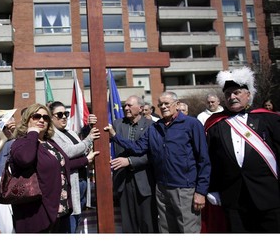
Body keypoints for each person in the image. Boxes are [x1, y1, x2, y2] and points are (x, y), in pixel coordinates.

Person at [104, 91, 210, 233]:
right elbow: (138, 147)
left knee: (187, 231)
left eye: (167, 103)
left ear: (177, 105)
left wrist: (201, 191)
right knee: (166, 231)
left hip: (184, 189)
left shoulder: (192, 124)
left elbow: (203, 159)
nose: (163, 107)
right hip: (162, 189)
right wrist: (115, 136)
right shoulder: (155, 127)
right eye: (160, 104)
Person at [204, 66, 280, 233]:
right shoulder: (216, 124)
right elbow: (211, 160)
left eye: (237, 92)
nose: (232, 97)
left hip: (269, 195)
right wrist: (212, 188)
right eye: (228, 94)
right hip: (233, 198)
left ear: (248, 94)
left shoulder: (269, 119)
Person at [9, 103, 99, 233]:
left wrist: (86, 160)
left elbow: (62, 164)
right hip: (37, 211)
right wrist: (33, 133)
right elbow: (26, 159)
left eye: (45, 118)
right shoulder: (21, 142)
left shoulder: (49, 143)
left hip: (60, 208)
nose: (41, 120)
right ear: (27, 119)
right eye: (36, 116)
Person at [49, 101, 100, 233]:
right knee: (70, 221)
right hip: (70, 183)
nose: (64, 117)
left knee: (78, 219)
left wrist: (89, 129)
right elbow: (68, 151)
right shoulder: (52, 135)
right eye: (59, 114)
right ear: (51, 117)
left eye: (65, 113)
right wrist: (88, 140)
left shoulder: (70, 132)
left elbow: (81, 149)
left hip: (82, 181)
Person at [110, 95, 158, 233]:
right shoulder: (117, 124)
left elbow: (152, 154)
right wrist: (92, 123)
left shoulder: (151, 126)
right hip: (123, 181)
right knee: (128, 225)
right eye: (125, 105)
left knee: (148, 223)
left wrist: (130, 161)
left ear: (141, 108)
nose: (126, 108)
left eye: (129, 105)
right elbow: (100, 133)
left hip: (144, 181)